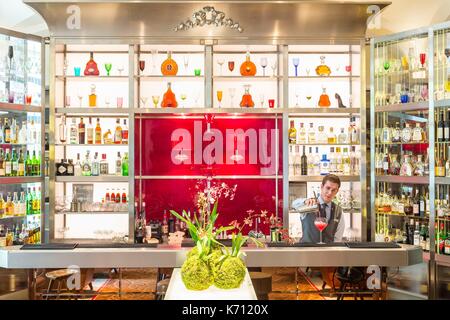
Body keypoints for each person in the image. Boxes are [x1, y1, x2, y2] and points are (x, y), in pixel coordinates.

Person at [292, 174, 345, 243]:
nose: (330, 193)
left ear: (337, 191)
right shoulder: (309, 204)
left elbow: (337, 238)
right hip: (306, 251)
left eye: (333, 190)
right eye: (328, 188)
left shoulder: (338, 211)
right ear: (322, 187)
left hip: (328, 251)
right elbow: (294, 204)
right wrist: (305, 201)